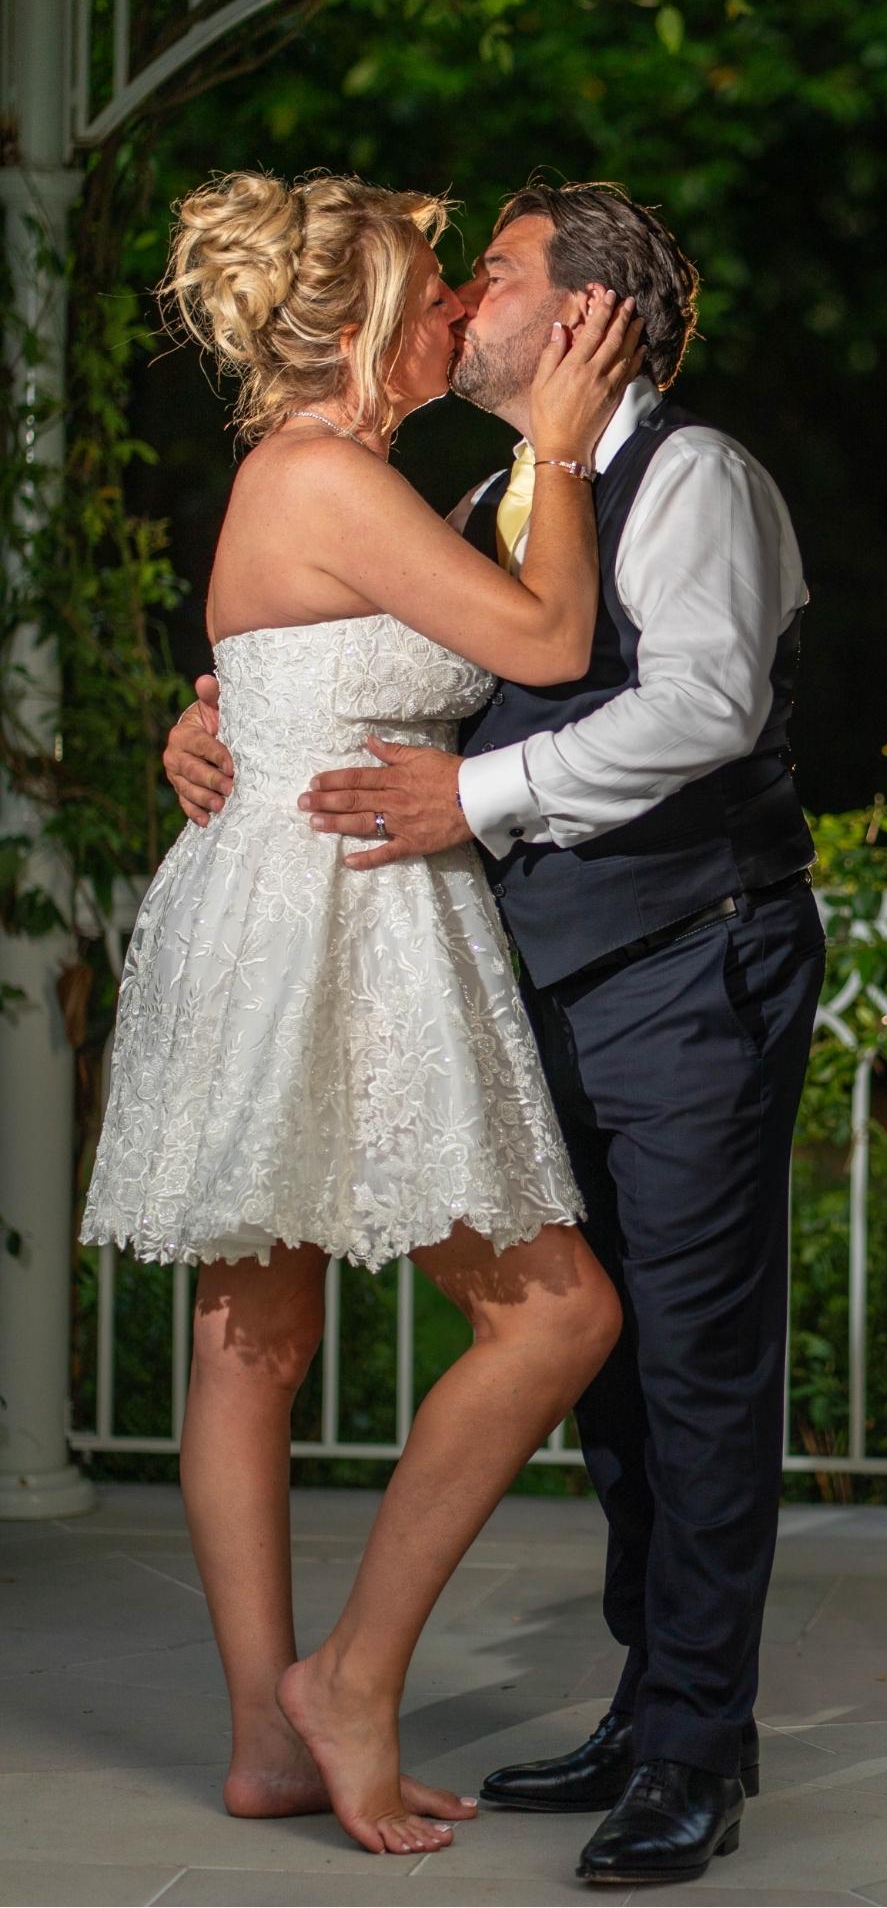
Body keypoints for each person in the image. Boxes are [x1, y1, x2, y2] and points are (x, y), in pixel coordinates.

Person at [166, 180, 826, 1888]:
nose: (464, 298)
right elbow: (379, 644)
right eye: (446, 279)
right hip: (431, 950)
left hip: (686, 955)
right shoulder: (452, 485)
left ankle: (687, 1743)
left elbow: (696, 704)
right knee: (577, 1355)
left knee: (672, 1358)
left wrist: (417, 770)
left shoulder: (692, 477)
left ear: (589, 315)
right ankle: (623, 1701)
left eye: (498, 274)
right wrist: (221, 719)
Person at [84, 170, 643, 1857]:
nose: (459, 309)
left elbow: (274, 674)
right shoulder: (326, 471)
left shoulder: (326, 476)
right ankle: (343, 1683)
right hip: (331, 914)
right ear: (369, 324)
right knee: (551, 1319)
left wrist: (205, 726)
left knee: (253, 1341)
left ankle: (270, 1736)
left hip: (295, 901)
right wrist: (564, 445)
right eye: (435, 288)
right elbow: (549, 641)